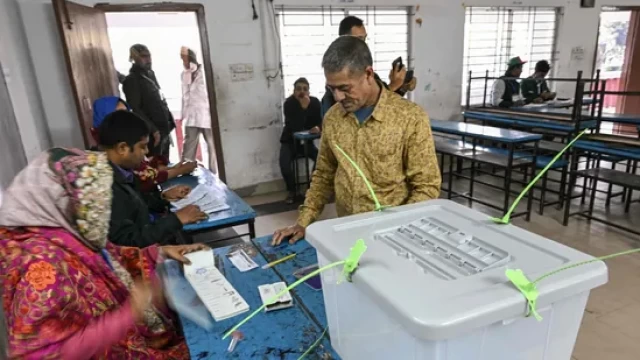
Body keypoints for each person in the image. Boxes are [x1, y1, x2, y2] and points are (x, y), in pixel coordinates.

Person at [0, 147, 209, 358]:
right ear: (63, 200)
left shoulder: (67, 231)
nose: (100, 211)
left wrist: (159, 253)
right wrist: (128, 314)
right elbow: (40, 355)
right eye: (91, 202)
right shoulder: (40, 267)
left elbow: (109, 259)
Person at [272, 36, 441, 245]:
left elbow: (427, 187)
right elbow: (324, 174)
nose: (338, 97)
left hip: (395, 238)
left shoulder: (409, 117)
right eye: (331, 89)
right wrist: (303, 222)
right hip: (347, 231)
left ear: (368, 74)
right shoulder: (333, 118)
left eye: (345, 88)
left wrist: (399, 232)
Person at [98, 110, 208, 247]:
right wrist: (176, 219)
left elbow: (135, 202)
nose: (146, 152)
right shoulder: (105, 187)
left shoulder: (120, 170)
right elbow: (127, 243)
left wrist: (163, 197)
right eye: (142, 147)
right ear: (122, 148)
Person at [92, 96, 196, 196]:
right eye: (121, 114)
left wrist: (163, 195)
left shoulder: (128, 149)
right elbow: (144, 177)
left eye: (127, 112)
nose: (128, 118)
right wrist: (180, 171)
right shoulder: (105, 175)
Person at [321, 16, 417, 117]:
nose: (363, 44)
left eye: (364, 38)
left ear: (368, 74)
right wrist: (394, 85)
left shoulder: (373, 76)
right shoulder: (334, 98)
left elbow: (387, 107)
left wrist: (402, 87)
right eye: (359, 39)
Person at [123, 44, 176, 157]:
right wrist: (153, 130)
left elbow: (159, 98)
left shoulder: (150, 74)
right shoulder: (132, 80)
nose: (148, 59)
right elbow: (136, 109)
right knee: (155, 168)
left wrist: (169, 122)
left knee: (165, 164)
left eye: (149, 56)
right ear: (134, 59)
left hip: (164, 128)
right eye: (143, 56)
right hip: (151, 133)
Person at [280, 77, 322, 204]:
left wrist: (318, 128)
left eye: (305, 89)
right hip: (289, 141)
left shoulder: (314, 102)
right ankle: (292, 191)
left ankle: (312, 189)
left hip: (307, 142)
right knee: (284, 164)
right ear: (294, 91)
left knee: (321, 160)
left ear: (309, 91)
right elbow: (294, 126)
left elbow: (321, 121)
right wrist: (303, 109)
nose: (301, 92)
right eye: (298, 89)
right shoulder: (289, 103)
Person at [180, 47, 218, 174]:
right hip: (191, 116)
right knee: (188, 148)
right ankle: (185, 173)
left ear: (191, 57)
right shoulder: (185, 74)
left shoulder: (205, 72)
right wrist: (183, 115)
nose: (183, 61)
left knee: (213, 147)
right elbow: (184, 96)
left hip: (207, 115)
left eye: (184, 57)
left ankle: (215, 174)